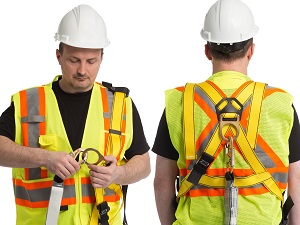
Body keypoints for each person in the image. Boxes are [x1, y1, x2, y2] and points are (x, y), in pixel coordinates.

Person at [0, 4, 150, 225]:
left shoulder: (120, 104)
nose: (82, 70)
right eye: (74, 60)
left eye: (91, 61)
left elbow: (144, 164)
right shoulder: (28, 103)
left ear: (102, 57)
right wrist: (43, 158)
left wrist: (118, 174)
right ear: (59, 56)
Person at [152, 0, 300, 224]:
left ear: (207, 50)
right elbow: (296, 180)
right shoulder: (279, 103)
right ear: (251, 50)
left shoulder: (180, 102)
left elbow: (162, 181)